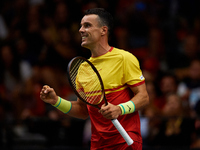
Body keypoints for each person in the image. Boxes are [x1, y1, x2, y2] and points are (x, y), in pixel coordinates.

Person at [40, 8, 149, 150]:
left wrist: (120, 109)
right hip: (98, 144)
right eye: (81, 25)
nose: (80, 30)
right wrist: (56, 101)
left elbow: (143, 97)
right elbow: (82, 110)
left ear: (103, 30)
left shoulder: (124, 58)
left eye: (87, 25)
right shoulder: (82, 69)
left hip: (126, 142)